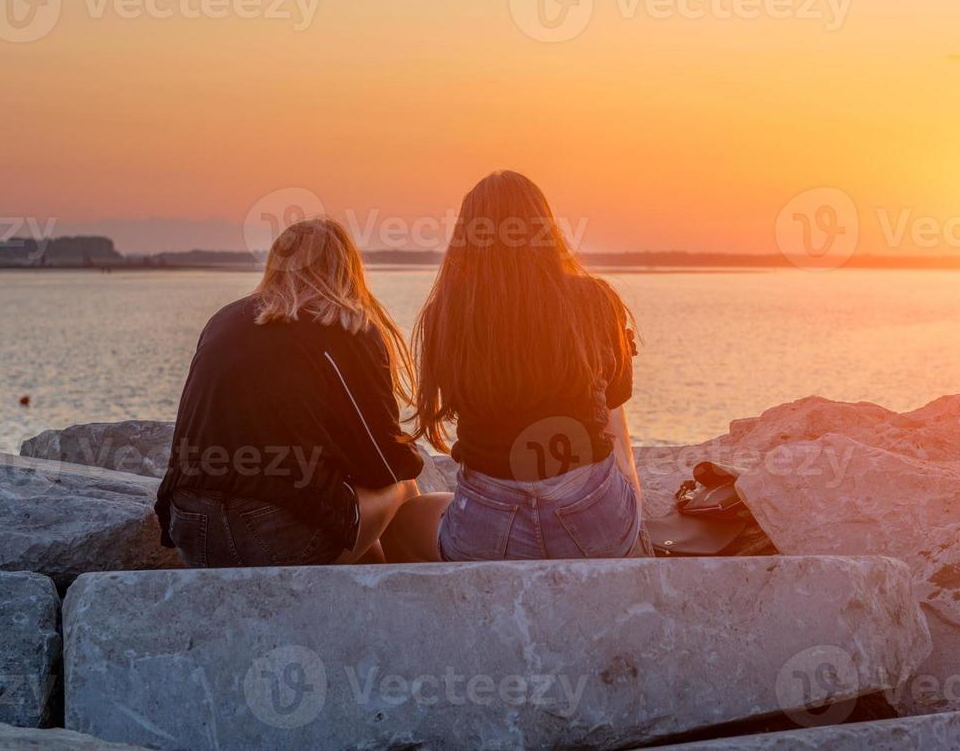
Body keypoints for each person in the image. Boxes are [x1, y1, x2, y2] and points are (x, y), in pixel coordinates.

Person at [154, 217, 444, 567]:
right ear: (347, 268)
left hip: (190, 527)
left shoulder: (224, 319)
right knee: (403, 489)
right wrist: (408, 454)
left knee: (339, 514)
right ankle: (393, 608)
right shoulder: (344, 326)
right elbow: (383, 464)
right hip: (273, 534)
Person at [410, 170, 645, 561]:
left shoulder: (448, 313)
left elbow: (451, 404)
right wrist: (630, 498)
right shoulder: (594, 299)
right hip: (595, 524)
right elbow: (615, 409)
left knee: (407, 518)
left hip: (487, 532)